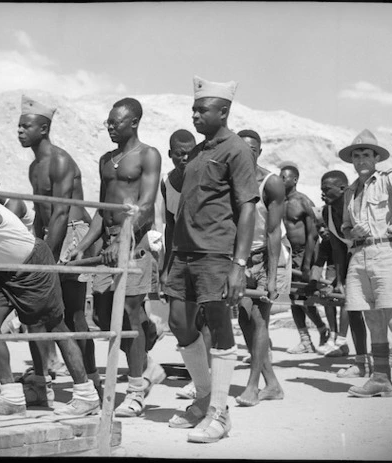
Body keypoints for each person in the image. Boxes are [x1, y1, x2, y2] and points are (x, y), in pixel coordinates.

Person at [0, 178, 100, 417]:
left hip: (31, 263)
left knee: (56, 326)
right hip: (1, 270)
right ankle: (11, 398)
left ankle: (86, 395)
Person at [162, 76, 257, 443]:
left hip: (216, 254)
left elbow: (246, 208)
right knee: (179, 323)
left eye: (203, 110)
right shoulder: (199, 152)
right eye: (194, 109)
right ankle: (203, 399)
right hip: (183, 255)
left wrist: (239, 264)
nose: (196, 115)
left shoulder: (237, 150)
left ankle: (220, 412)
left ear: (224, 111)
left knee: (219, 327)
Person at [68, 97, 164, 418]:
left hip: (132, 243)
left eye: (116, 122)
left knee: (129, 316)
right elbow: (102, 211)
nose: (110, 126)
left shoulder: (148, 155)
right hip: (107, 246)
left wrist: (124, 238)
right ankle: (149, 365)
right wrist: (83, 246)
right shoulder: (106, 160)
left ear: (134, 122)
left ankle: (136, 391)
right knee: (103, 317)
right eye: (108, 122)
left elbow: (146, 206)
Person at [18, 95, 101, 395]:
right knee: (39, 311)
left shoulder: (60, 161)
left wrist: (48, 258)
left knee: (74, 314)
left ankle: (92, 384)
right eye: (19, 126)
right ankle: (42, 382)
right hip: (49, 237)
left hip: (72, 235)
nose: (20, 131)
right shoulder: (33, 167)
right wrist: (36, 247)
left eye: (26, 126)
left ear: (44, 129)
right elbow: (42, 214)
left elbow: (62, 213)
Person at [339, 129, 392, 402]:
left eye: (366, 154)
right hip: (360, 255)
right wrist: (353, 233)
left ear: (376, 157)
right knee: (371, 317)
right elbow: (344, 227)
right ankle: (380, 380)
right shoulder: (351, 190)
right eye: (357, 155)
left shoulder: (388, 179)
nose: (361, 159)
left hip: (386, 251)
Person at [235, 129, 290, 407]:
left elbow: (273, 233)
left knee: (258, 320)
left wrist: (270, 278)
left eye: (252, 149)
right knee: (245, 321)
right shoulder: (230, 180)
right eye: (242, 148)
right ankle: (273, 385)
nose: (247, 153)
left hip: (269, 256)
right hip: (242, 259)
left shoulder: (271, 183)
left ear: (259, 151)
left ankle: (253, 386)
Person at [160, 129, 210, 401]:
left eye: (190, 153)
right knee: (179, 320)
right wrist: (166, 266)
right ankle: (203, 378)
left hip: (207, 255)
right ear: (170, 155)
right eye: (179, 154)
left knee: (206, 318)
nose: (185, 158)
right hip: (180, 257)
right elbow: (170, 225)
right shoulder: (166, 183)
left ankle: (203, 383)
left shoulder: (207, 177)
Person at [312, 170, 372, 378]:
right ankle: (360, 361)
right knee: (352, 306)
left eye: (326, 189)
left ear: (342, 188)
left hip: (371, 256)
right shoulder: (327, 212)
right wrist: (339, 279)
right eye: (321, 190)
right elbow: (337, 247)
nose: (322, 194)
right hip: (351, 258)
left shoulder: (356, 206)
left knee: (383, 310)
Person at [280, 164, 331, 353]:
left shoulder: (302, 201)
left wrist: (307, 264)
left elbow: (313, 234)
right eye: (280, 176)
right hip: (290, 254)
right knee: (292, 297)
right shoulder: (279, 202)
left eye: (285, 177)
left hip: (306, 252)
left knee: (306, 297)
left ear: (295, 180)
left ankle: (323, 330)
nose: (281, 179)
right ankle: (305, 340)